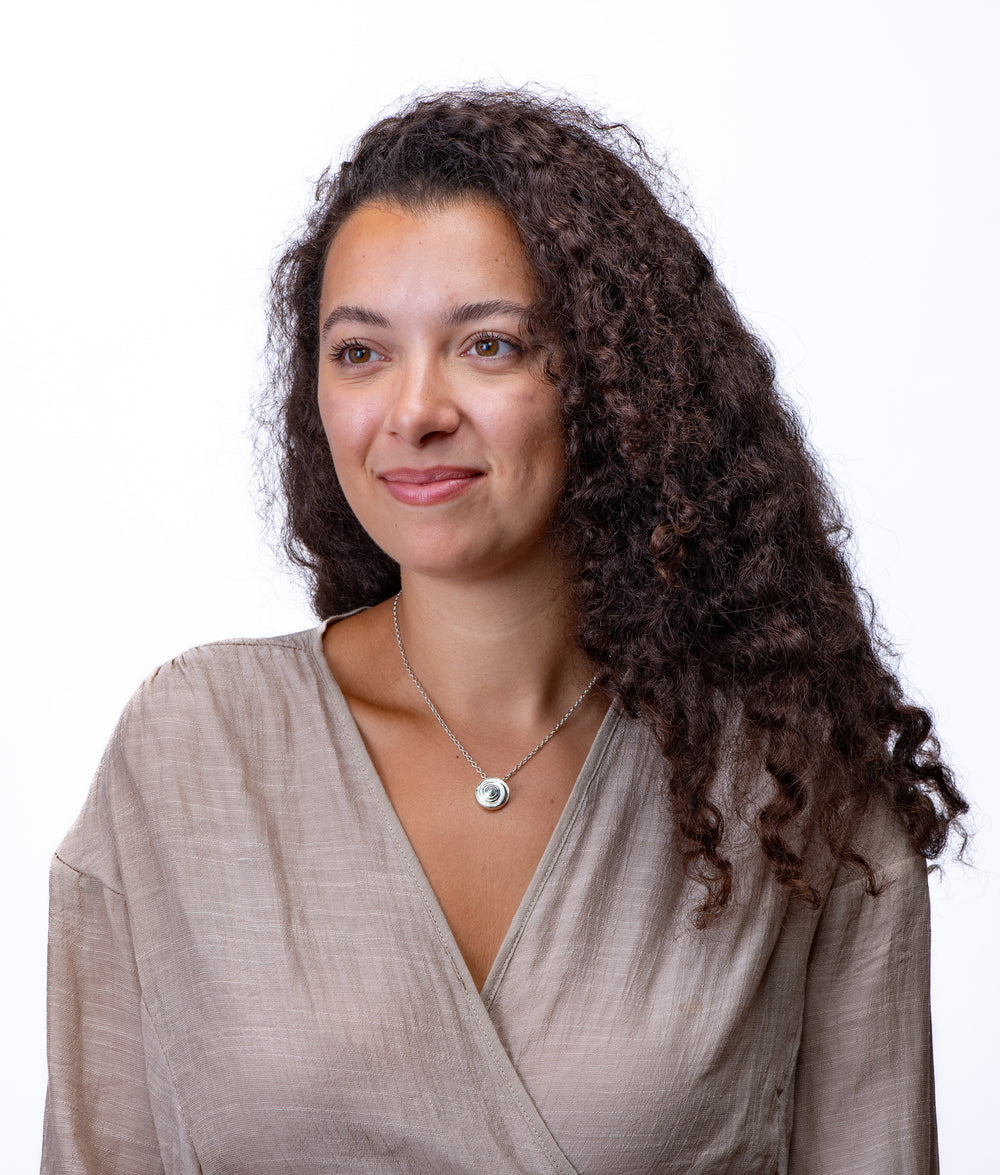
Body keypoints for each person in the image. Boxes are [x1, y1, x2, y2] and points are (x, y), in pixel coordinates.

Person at [42, 89, 967, 1175]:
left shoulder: (793, 786)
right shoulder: (193, 751)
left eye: (488, 345)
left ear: (617, 382)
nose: (414, 409)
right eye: (359, 352)